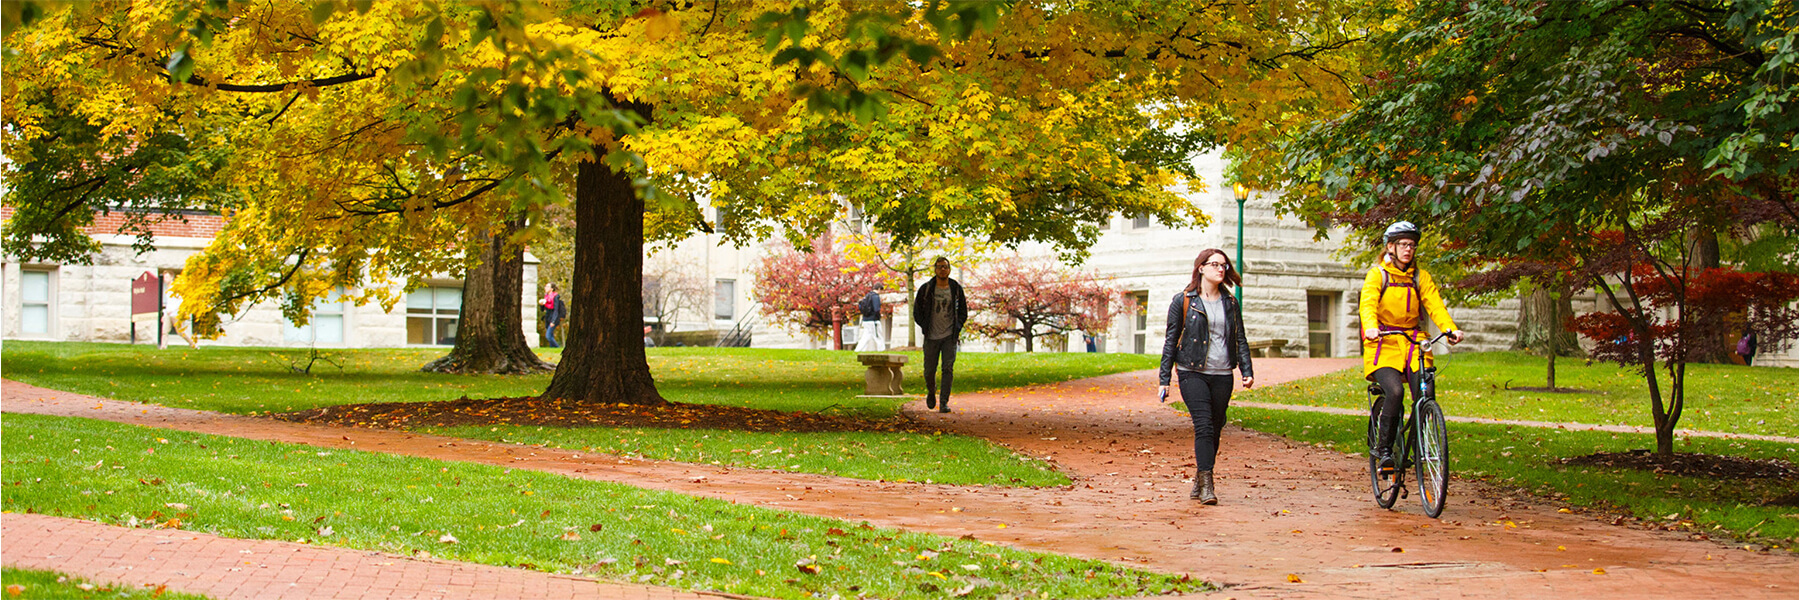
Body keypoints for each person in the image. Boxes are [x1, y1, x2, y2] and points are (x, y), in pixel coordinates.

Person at [1360, 221, 1463, 474]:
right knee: (1394, 392)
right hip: (1383, 343)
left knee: (1426, 395)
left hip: (1414, 344)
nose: (1408, 249)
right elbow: (1368, 304)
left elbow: (1435, 305)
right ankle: (1384, 452)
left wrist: (1450, 328)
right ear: (1390, 247)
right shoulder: (1377, 275)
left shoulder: (1420, 277)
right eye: (1403, 244)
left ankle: (1419, 448)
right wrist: (1371, 326)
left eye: (1412, 245)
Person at [1157, 249, 1254, 505]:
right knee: (1203, 425)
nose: (1221, 269)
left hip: (1223, 373)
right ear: (1201, 268)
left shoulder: (1230, 302)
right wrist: (1164, 379)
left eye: (1224, 265)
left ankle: (1200, 477)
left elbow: (1239, 338)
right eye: (1215, 265)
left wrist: (1247, 371)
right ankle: (1208, 483)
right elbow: (1171, 341)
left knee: (1216, 425)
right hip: (1192, 371)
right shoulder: (1184, 301)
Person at [913, 257, 968, 413]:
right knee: (929, 370)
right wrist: (925, 325)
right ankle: (931, 391)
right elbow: (917, 312)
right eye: (939, 267)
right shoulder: (926, 289)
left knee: (947, 368)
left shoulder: (956, 288)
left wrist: (957, 327)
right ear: (935, 269)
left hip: (949, 336)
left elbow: (963, 311)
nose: (943, 269)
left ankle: (944, 402)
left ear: (949, 269)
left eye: (945, 267)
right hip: (931, 336)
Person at [541, 282, 566, 348]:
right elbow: (543, 309)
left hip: (554, 317)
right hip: (548, 316)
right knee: (551, 335)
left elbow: (556, 310)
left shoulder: (555, 297)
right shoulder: (546, 297)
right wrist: (542, 305)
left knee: (548, 336)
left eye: (548, 287)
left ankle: (557, 347)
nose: (545, 288)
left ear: (551, 289)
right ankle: (552, 349)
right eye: (545, 286)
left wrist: (553, 321)